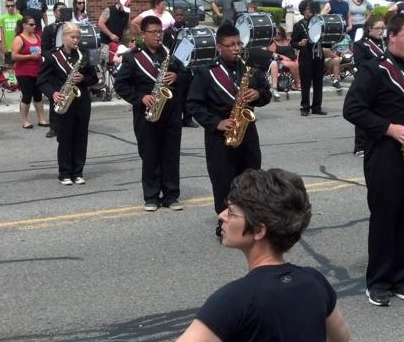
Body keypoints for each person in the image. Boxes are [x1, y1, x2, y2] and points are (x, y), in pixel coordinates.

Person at [52, 167, 350, 342]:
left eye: (232, 212)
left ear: (259, 230)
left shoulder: (235, 299)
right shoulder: (314, 282)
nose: (222, 215)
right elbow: (340, 339)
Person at [342, 12, 404, 306]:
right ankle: (378, 282)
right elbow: (353, 110)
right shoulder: (373, 69)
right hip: (384, 152)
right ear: (392, 37)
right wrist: (389, 128)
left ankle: (400, 278)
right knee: (385, 218)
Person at [187, 23, 273, 214]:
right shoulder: (206, 72)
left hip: (248, 133)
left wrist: (258, 94)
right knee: (223, 181)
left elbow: (267, 93)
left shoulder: (249, 68)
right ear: (219, 47)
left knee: (251, 179)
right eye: (231, 45)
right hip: (220, 137)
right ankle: (225, 221)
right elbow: (193, 105)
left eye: (239, 44)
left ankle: (248, 218)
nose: (236, 48)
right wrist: (216, 123)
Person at [113, 15, 189, 211]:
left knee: (171, 154)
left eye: (160, 32)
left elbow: (188, 74)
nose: (158, 36)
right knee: (150, 155)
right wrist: (140, 98)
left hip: (171, 113)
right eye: (154, 32)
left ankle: (171, 195)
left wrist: (177, 76)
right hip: (147, 114)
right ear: (143, 34)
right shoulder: (132, 57)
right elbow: (121, 84)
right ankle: (152, 196)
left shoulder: (169, 55)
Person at [38, 21, 98, 185]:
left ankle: (78, 172)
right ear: (64, 37)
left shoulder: (83, 55)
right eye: (73, 37)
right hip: (63, 101)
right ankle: (64, 173)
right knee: (65, 138)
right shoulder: (52, 56)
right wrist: (53, 93)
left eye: (78, 37)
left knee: (81, 137)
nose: (76, 41)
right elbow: (42, 80)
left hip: (82, 101)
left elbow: (95, 78)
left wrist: (84, 78)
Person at [350, 15, 388, 156]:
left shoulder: (386, 43)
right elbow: (360, 64)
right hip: (367, 83)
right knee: (364, 113)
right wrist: (379, 61)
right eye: (378, 28)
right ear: (369, 29)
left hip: (383, 84)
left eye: (383, 28)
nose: (381, 31)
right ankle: (360, 146)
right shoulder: (360, 44)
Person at [10, 16, 48, 129]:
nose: (34, 26)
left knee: (38, 95)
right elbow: (14, 56)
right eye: (31, 24)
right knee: (27, 96)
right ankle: (25, 120)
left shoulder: (37, 37)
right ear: (24, 25)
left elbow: (42, 50)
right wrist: (30, 56)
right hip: (24, 72)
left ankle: (41, 119)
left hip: (38, 71)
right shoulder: (19, 38)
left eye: (35, 24)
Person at [291, 0, 326, 116]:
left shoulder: (320, 24)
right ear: (302, 11)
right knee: (305, 83)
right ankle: (305, 107)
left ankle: (317, 107)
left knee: (318, 82)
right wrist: (299, 44)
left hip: (319, 56)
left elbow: (326, 42)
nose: (310, 11)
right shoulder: (299, 25)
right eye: (307, 9)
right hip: (306, 57)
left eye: (311, 9)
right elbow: (293, 42)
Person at [268, 25, 300, 92]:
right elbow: (271, 53)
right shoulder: (272, 42)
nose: (277, 35)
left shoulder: (287, 41)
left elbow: (295, 50)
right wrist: (283, 57)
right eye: (275, 33)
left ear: (282, 33)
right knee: (292, 65)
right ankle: (298, 84)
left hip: (293, 59)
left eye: (279, 33)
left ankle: (296, 83)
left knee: (302, 63)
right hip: (280, 61)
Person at [0, 0, 24, 66]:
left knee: (18, 65)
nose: (10, 7)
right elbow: (2, 33)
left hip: (18, 46)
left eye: (12, 5)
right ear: (6, 7)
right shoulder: (3, 18)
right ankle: (11, 77)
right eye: (8, 6)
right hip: (8, 46)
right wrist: (3, 46)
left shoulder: (20, 17)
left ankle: (16, 77)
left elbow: (23, 32)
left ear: (15, 6)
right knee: (9, 66)